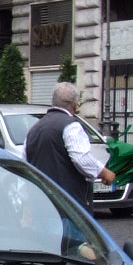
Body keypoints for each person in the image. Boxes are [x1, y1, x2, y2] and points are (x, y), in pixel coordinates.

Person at [22, 82, 115, 210]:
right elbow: (81, 158)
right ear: (75, 104)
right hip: (68, 205)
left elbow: (26, 166)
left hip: (40, 204)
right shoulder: (71, 125)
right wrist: (103, 172)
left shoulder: (34, 129)